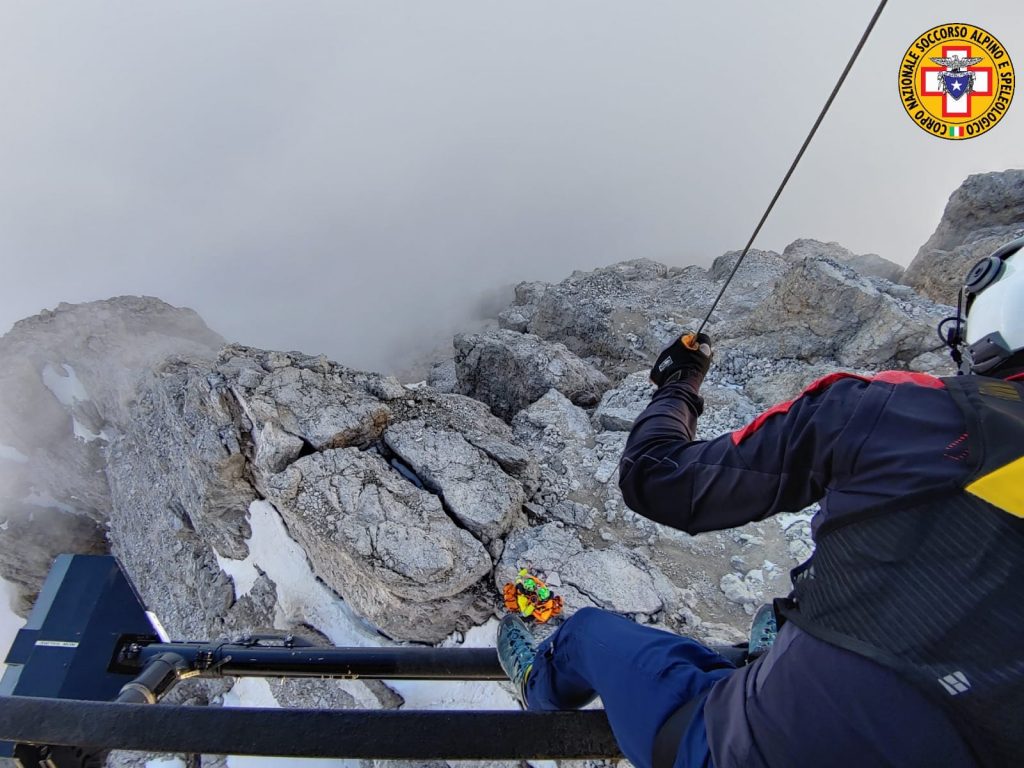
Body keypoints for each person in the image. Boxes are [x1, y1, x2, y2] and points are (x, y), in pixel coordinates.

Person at [497, 236, 1024, 768]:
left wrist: (680, 383)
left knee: (588, 635)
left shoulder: (893, 409)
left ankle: (537, 686)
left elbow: (657, 478)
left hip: (766, 749)